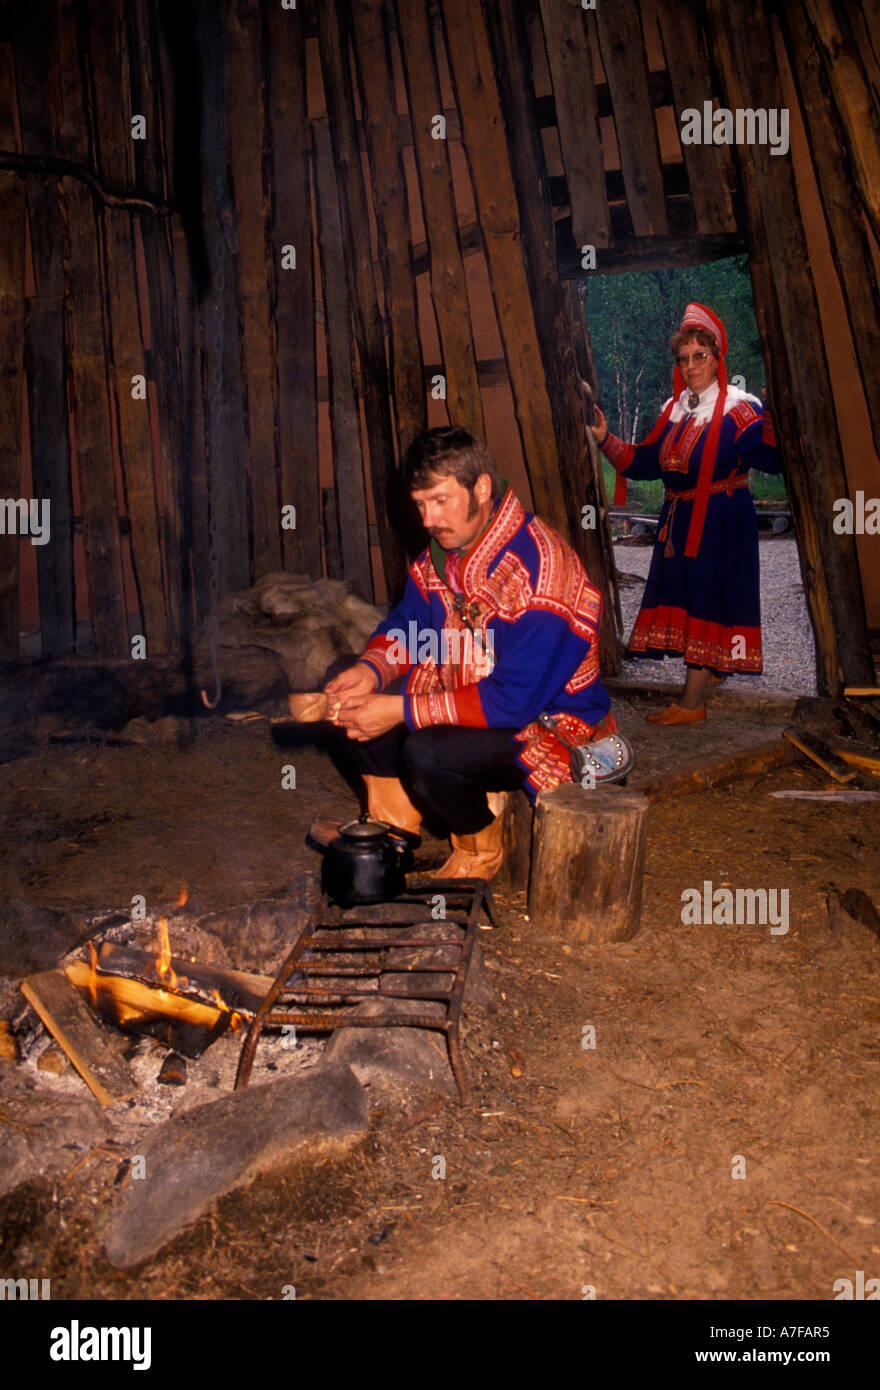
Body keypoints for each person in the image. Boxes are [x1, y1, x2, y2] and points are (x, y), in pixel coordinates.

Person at [323, 425, 616, 879]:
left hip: (547, 724)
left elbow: (512, 702)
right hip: (471, 692)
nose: (428, 519)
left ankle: (479, 847)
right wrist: (370, 670)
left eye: (441, 501)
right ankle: (395, 828)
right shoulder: (446, 554)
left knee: (428, 753)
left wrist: (400, 709)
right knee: (349, 687)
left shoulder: (542, 572)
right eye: (420, 505)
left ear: (481, 488)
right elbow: (410, 630)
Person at [590, 302, 781, 725]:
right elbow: (645, 462)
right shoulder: (673, 411)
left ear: (716, 358)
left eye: (700, 356)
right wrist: (606, 438)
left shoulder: (739, 408)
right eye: (684, 357)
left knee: (708, 598)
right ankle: (708, 668)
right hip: (680, 521)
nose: (692, 365)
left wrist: (777, 417)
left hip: (722, 521)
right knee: (693, 597)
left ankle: (691, 705)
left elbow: (771, 459)